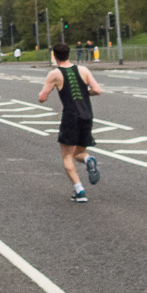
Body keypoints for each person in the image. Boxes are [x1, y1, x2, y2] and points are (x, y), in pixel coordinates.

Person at [38, 43, 103, 202]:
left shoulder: (54, 74)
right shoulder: (84, 70)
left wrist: (50, 90)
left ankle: (79, 191)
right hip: (87, 114)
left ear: (55, 55)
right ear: (69, 54)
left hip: (71, 116)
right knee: (79, 153)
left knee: (67, 156)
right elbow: (97, 90)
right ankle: (88, 160)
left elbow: (42, 97)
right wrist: (85, 93)